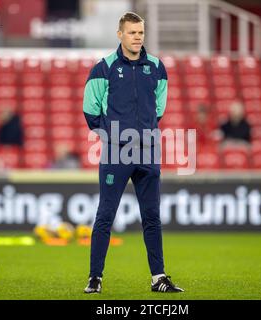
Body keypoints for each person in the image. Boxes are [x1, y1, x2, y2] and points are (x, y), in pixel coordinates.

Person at [82, 12, 183, 294]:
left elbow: (158, 109)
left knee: (152, 217)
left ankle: (158, 278)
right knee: (106, 215)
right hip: (117, 153)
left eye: (140, 32)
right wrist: (115, 140)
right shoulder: (104, 68)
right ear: (120, 35)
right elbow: (91, 112)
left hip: (149, 152)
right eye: (132, 32)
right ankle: (95, 277)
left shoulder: (157, 67)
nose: (137, 37)